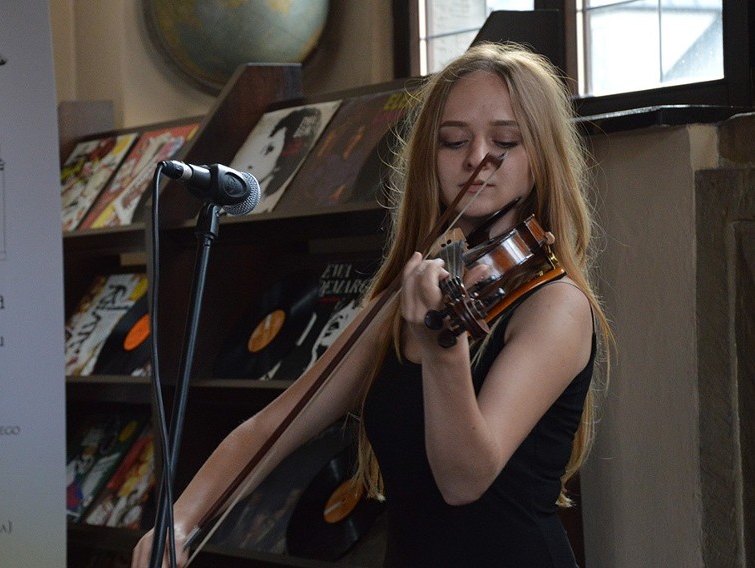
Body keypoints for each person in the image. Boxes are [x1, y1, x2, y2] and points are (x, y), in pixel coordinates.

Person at [132, 41, 611, 568]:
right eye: (454, 141)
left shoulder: (555, 305)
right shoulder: (402, 301)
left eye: (505, 141)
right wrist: (179, 520)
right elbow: (270, 428)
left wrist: (441, 349)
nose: (478, 158)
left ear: (541, 160)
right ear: (430, 156)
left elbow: (463, 480)